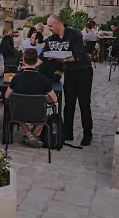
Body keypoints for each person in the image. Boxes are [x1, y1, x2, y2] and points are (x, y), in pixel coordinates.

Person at [39, 15, 93, 146]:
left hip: (83, 71)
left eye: (50, 26)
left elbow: (78, 55)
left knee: (84, 103)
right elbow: (43, 55)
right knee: (69, 103)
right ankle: (68, 132)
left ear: (58, 24)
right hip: (69, 72)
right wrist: (30, 65)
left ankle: (88, 133)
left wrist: (62, 59)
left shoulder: (74, 35)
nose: (49, 29)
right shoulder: (52, 39)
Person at [5, 48, 58, 148]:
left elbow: (6, 96)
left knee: (14, 107)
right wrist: (44, 99)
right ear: (37, 60)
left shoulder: (16, 78)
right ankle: (33, 136)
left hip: (19, 114)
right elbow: (55, 99)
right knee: (47, 112)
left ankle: (29, 135)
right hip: (38, 115)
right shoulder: (43, 79)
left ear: (23, 60)